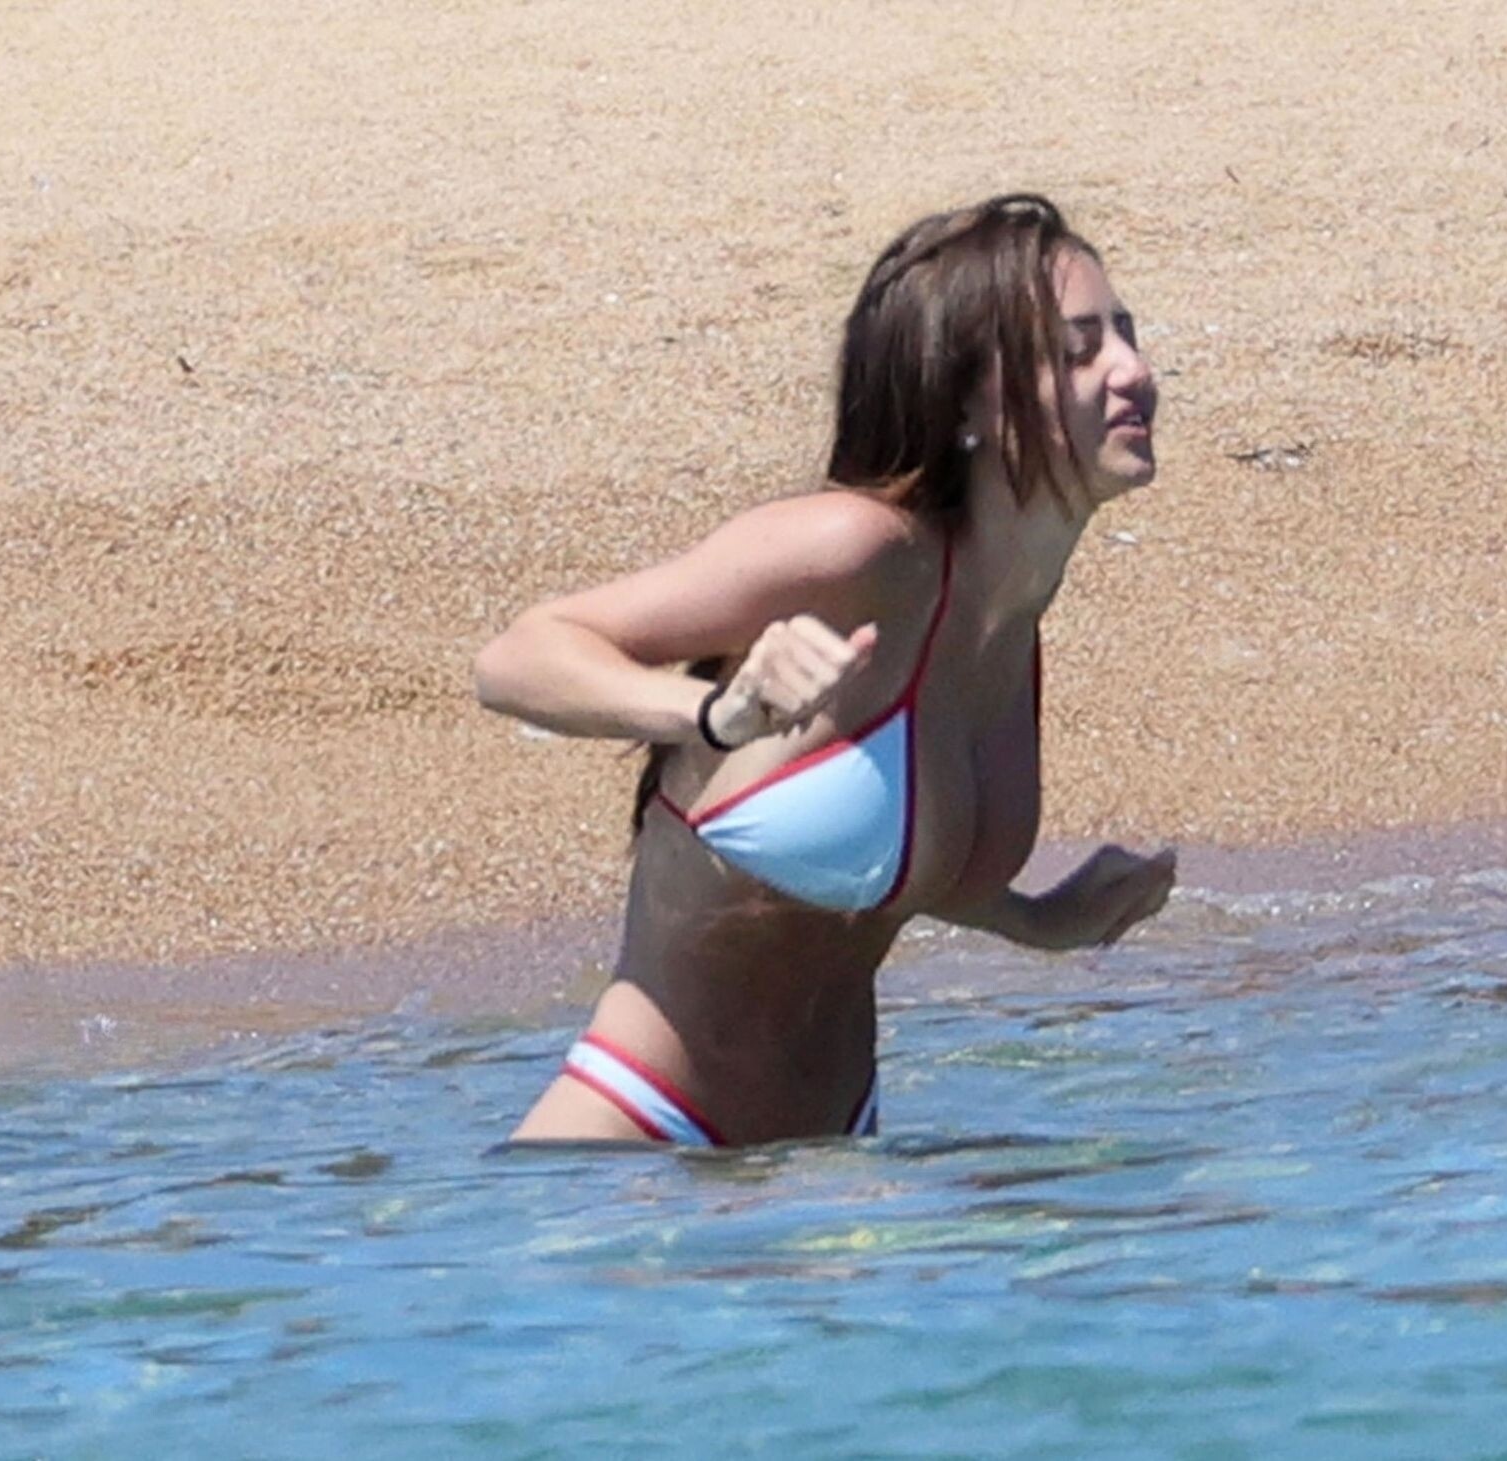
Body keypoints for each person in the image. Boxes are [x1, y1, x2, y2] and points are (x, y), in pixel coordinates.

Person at [473, 193, 1177, 1147]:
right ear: (966, 398)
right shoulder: (855, 553)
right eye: (1079, 350)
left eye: (1126, 334)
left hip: (831, 1157)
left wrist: (1043, 921)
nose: (1133, 370)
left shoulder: (1006, 615)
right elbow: (518, 657)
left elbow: (889, 864)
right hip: (639, 1137)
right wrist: (716, 713)